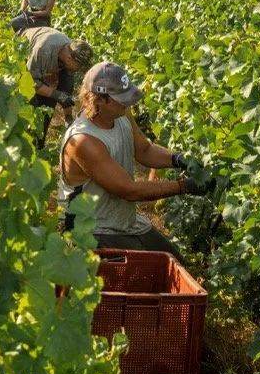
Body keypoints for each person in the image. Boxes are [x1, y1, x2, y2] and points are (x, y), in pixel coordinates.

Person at [57, 62, 212, 260]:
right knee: (135, 279)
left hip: (124, 222)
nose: (128, 103)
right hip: (91, 228)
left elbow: (144, 151)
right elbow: (129, 190)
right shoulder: (83, 140)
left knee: (175, 262)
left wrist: (179, 159)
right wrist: (185, 186)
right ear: (99, 99)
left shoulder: (121, 114)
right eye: (121, 99)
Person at [21, 26, 94, 145]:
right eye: (79, 66)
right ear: (70, 59)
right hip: (23, 60)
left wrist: (69, 119)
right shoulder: (43, 50)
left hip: (46, 64)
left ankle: (39, 145)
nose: (80, 70)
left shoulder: (72, 52)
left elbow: (66, 90)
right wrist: (55, 94)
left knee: (48, 106)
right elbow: (29, 82)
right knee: (32, 106)